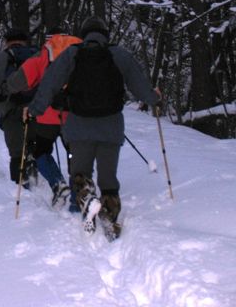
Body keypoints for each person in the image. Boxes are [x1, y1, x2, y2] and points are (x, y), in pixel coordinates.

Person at [24, 16, 160, 236]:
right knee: (108, 179)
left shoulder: (72, 54)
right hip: (111, 126)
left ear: (84, 34)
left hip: (78, 126)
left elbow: (50, 83)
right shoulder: (119, 55)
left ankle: (86, 197)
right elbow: (140, 86)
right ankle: (110, 217)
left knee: (80, 173)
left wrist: (35, 109)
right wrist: (154, 98)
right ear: (105, 35)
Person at [7, 27, 81, 208]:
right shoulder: (80, 54)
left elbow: (15, 84)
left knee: (41, 151)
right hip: (73, 113)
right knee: (75, 153)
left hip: (46, 115)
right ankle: (78, 193)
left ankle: (58, 184)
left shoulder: (41, 57)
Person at [0, 28, 38, 186]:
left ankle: (20, 185)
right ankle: (33, 173)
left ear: (6, 41)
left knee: (16, 150)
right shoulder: (37, 55)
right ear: (25, 40)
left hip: (9, 109)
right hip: (35, 107)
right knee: (34, 143)